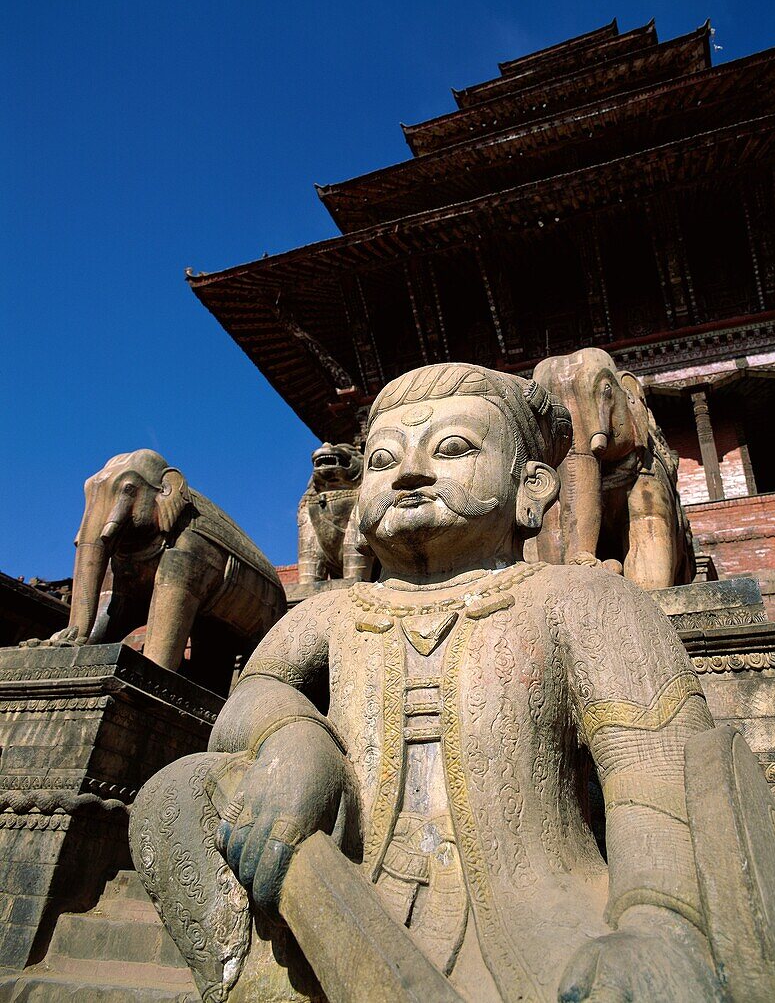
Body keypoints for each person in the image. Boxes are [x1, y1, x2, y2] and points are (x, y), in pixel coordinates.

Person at [132, 362, 726, 1002]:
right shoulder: (334, 613)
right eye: (384, 460)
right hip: (341, 899)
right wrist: (296, 739)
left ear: (530, 488)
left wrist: (658, 926)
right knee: (179, 792)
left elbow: (659, 772)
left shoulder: (584, 600)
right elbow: (255, 689)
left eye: (454, 448)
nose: (410, 473)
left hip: (541, 933)